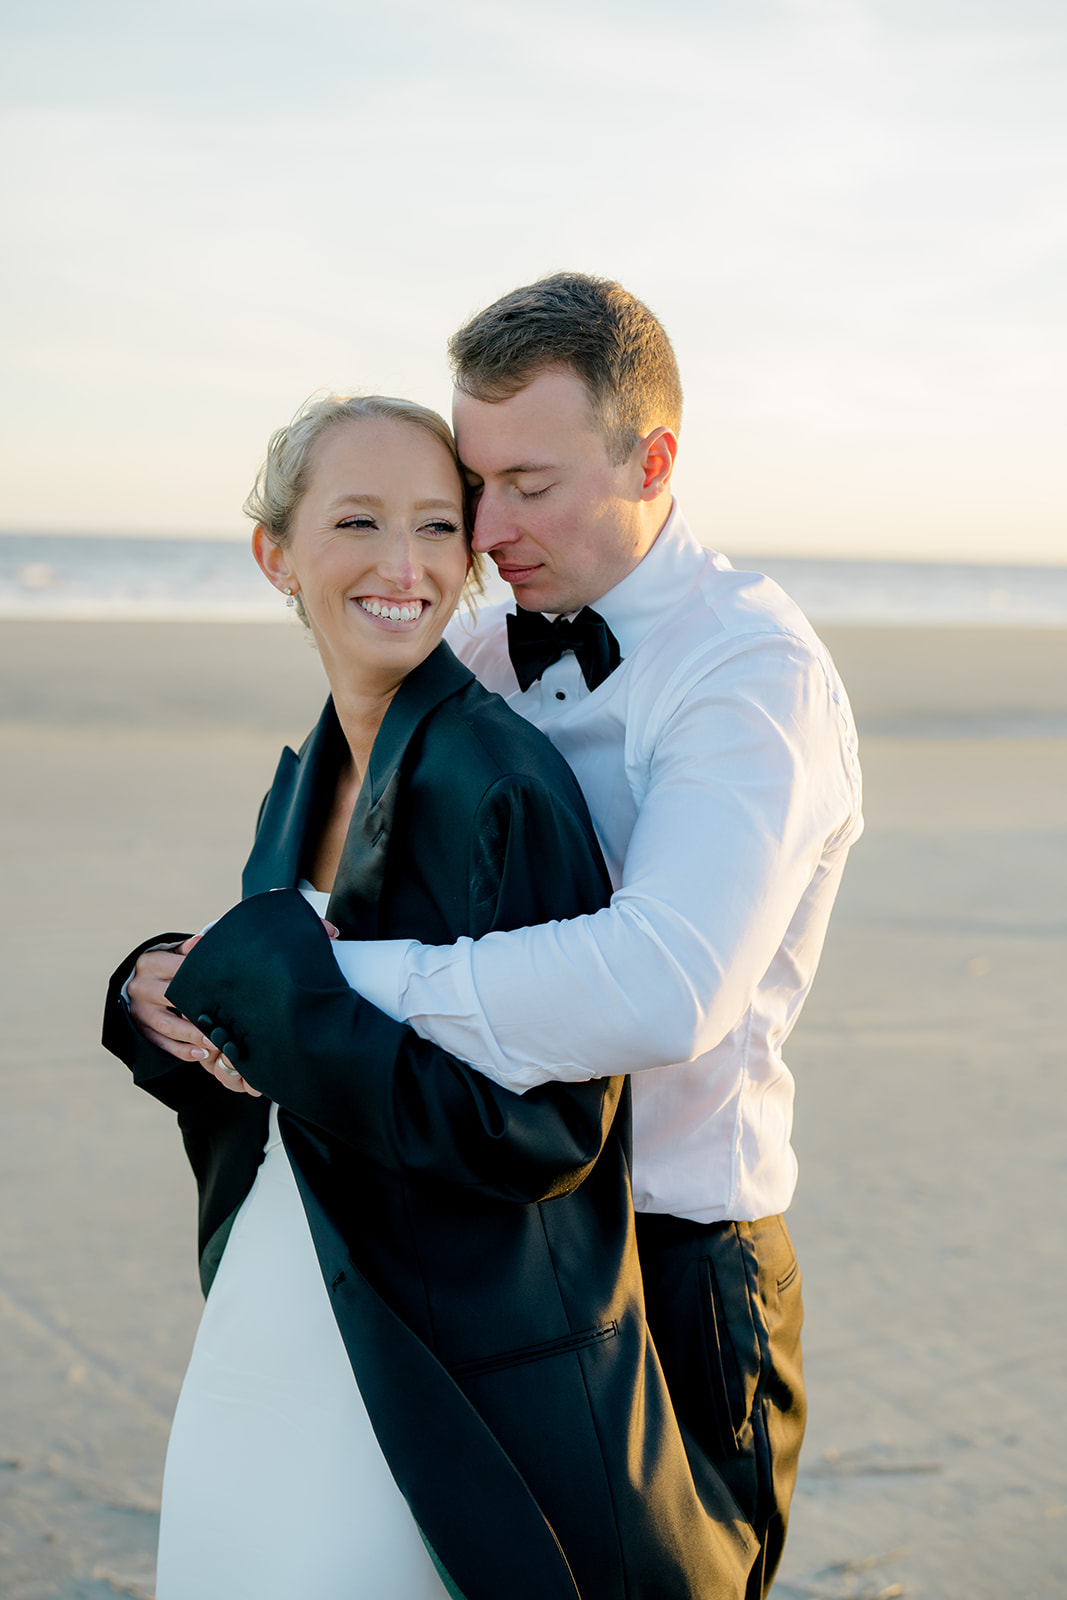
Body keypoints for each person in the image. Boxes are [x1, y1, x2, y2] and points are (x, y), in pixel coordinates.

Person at [125, 273, 864, 1598]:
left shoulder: (748, 674)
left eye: (531, 482)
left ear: (654, 458)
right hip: (489, 1252)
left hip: (675, 1246)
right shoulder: (475, 659)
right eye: (478, 482)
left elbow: (667, 983)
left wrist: (326, 986)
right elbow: (337, 884)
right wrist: (187, 986)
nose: (489, 524)